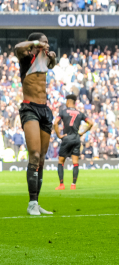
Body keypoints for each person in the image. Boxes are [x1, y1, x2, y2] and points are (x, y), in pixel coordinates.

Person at [14, 33, 57, 216]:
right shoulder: (26, 57)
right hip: (30, 108)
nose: (47, 44)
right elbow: (17, 47)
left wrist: (52, 58)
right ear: (36, 43)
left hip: (44, 109)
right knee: (34, 154)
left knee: (42, 159)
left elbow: (52, 63)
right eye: (44, 41)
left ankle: (36, 202)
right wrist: (36, 43)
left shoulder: (45, 58)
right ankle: (31, 203)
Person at [54, 94, 93, 191]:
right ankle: (73, 185)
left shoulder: (63, 112)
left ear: (68, 102)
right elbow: (91, 123)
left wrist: (59, 135)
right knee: (75, 163)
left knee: (61, 162)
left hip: (66, 138)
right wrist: (82, 133)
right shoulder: (80, 113)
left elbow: (55, 123)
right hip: (76, 138)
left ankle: (61, 184)